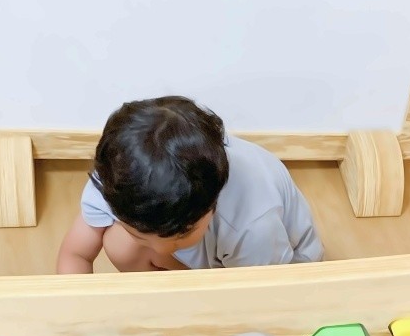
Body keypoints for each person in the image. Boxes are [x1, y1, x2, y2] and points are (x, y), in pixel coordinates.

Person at [56, 96, 323, 273]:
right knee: (120, 243)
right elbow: (76, 255)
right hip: (211, 251)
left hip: (275, 267)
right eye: (140, 235)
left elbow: (266, 292)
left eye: (182, 235)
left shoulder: (252, 223)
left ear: (211, 206)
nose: (160, 249)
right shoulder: (120, 176)